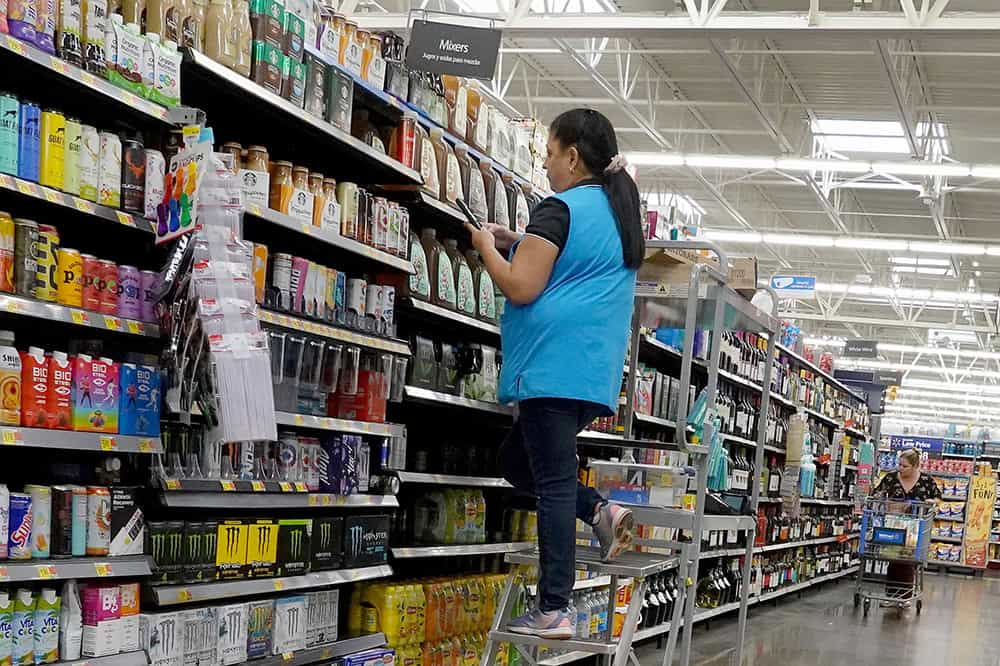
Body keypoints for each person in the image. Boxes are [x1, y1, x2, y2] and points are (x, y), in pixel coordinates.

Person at [465, 108, 645, 639]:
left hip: (552, 367)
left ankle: (553, 609)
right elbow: (573, 264)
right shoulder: (615, 213)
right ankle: (599, 512)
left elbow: (521, 286)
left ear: (572, 155)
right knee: (518, 462)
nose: (544, 164)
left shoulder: (559, 208)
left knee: (553, 484)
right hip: (591, 373)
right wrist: (517, 238)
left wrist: (485, 249)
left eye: (548, 152)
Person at [871, 448, 941, 607]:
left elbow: (938, 498)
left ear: (915, 466)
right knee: (892, 557)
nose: (900, 468)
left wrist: (931, 503)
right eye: (899, 465)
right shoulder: (890, 478)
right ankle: (891, 596)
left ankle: (905, 596)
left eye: (904, 466)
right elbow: (877, 494)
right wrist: (885, 502)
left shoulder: (926, 481)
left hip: (915, 528)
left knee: (908, 560)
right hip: (893, 525)